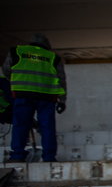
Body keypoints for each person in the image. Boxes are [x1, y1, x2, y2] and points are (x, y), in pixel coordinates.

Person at [4, 33, 67, 162]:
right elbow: (61, 80)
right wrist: (62, 100)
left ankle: (17, 156)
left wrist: (16, 81)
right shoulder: (53, 57)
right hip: (47, 97)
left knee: (21, 125)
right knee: (47, 127)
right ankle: (49, 157)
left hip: (23, 94)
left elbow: (6, 70)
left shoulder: (17, 51)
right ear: (47, 45)